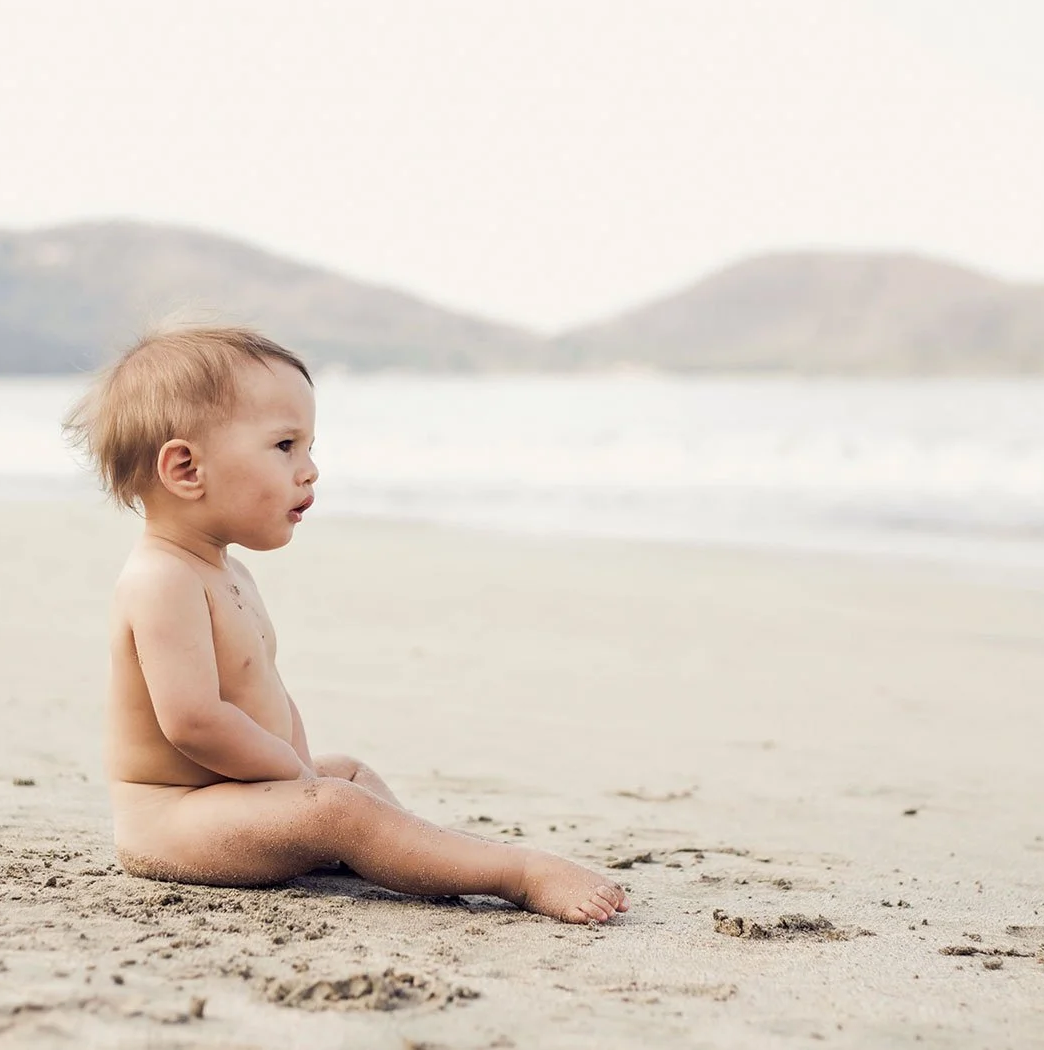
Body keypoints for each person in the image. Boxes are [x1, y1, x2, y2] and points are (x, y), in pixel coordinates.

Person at [64, 324, 629, 924]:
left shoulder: (226, 573)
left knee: (350, 775)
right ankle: (515, 873)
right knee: (338, 804)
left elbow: (269, 695)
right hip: (173, 819)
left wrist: (304, 772)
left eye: (310, 447)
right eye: (284, 446)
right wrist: (296, 779)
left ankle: (420, 850)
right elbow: (194, 723)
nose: (309, 471)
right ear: (185, 469)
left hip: (233, 796)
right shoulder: (160, 580)